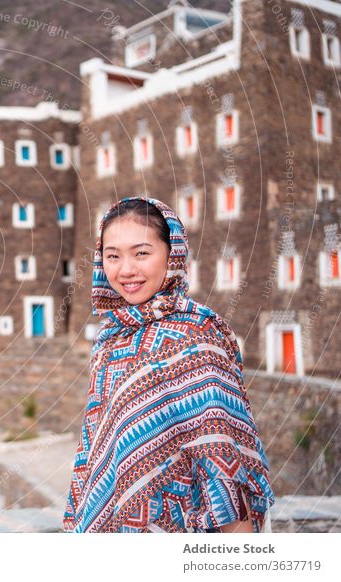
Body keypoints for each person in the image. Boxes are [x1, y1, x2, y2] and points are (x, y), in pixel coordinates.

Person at [63, 197, 275, 533]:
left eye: (141, 253)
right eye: (113, 255)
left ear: (172, 253)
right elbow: (97, 449)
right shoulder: (110, 339)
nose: (125, 269)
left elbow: (222, 463)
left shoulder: (196, 336)